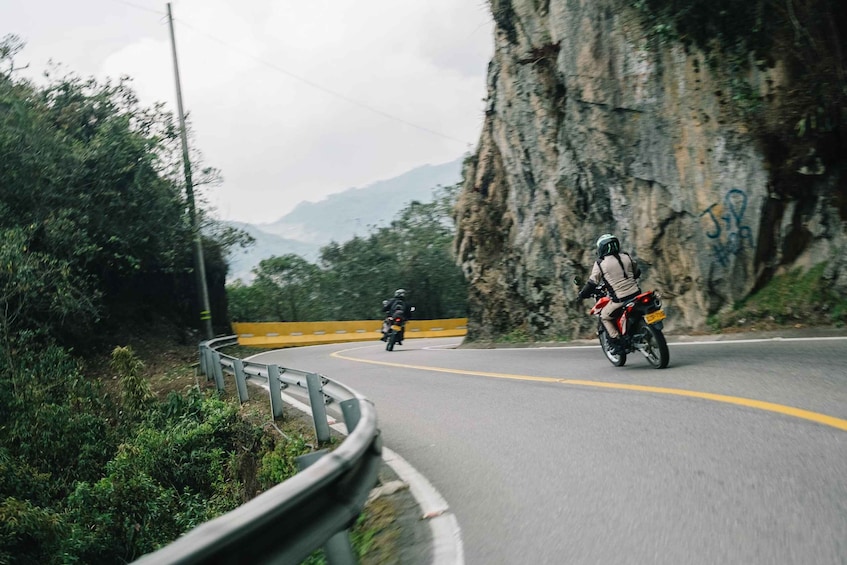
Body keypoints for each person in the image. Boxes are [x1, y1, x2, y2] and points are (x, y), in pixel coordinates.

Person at [577, 234, 641, 354]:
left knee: (604, 316)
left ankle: (617, 343)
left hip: (620, 299)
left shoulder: (601, 263)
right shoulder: (626, 256)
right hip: (637, 294)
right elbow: (636, 272)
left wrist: (582, 294)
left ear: (601, 248)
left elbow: (592, 283)